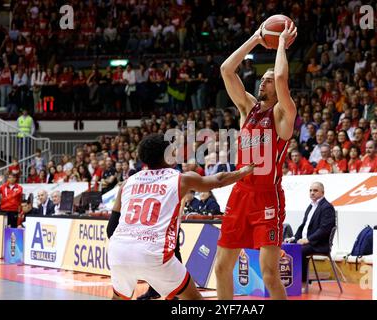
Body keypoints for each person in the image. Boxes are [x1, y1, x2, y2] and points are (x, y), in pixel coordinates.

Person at [107, 133, 254, 300]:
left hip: (119, 252)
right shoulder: (181, 179)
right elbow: (218, 180)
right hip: (153, 253)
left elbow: (110, 228)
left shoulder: (127, 182)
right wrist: (245, 170)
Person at [216, 21, 298, 300]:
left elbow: (283, 80)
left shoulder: (282, 114)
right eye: (263, 78)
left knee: (269, 273)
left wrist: (281, 45)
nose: (265, 80)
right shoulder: (247, 108)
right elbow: (226, 69)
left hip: (268, 197)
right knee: (221, 267)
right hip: (240, 193)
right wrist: (256, 37)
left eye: (270, 79)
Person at [293, 182, 335, 293]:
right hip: (308, 242)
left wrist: (308, 239)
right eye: (310, 190)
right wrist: (294, 238)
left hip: (319, 244)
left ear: (322, 192)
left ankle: (301, 284)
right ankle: (290, 281)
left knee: (300, 251)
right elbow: (303, 226)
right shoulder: (310, 206)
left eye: (315, 190)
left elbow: (324, 230)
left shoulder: (327, 207)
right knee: (289, 247)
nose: (312, 193)